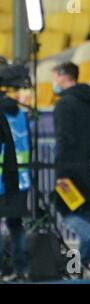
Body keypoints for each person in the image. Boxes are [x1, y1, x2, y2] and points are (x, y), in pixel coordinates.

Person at [52, 62, 90, 273]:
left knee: (64, 210)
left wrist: (60, 173)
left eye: (56, 77)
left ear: (63, 76)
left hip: (70, 171)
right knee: (84, 216)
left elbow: (64, 140)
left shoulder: (63, 105)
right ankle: (79, 269)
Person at [0, 92, 30, 282]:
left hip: (4, 178)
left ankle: (4, 269)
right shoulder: (20, 113)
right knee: (15, 225)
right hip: (19, 176)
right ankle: (21, 269)